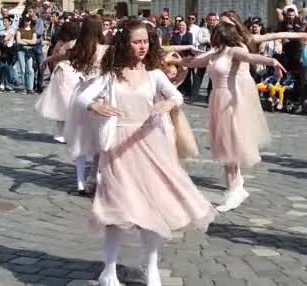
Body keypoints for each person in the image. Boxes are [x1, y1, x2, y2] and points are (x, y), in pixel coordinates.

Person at [77, 20, 215, 286]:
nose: (142, 46)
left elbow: (178, 96)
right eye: (136, 41)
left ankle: (151, 267)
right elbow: (82, 98)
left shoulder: (154, 74)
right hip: (118, 148)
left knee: (153, 207)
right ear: (125, 44)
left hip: (150, 144)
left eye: (145, 41)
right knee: (116, 209)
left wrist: (167, 103)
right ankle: (109, 270)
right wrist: (96, 107)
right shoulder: (111, 75)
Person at [184, 22, 286, 213]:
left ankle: (233, 191)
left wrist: (273, 62)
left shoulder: (233, 50)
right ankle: (236, 185)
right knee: (223, 144)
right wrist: (169, 61)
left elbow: (251, 57)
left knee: (228, 146)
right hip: (217, 100)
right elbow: (193, 62)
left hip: (229, 101)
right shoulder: (215, 53)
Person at [63, 15, 109, 195]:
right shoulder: (105, 49)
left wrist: (48, 60)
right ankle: (94, 177)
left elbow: (59, 56)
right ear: (99, 30)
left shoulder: (78, 49)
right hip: (98, 95)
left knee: (81, 140)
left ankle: (80, 182)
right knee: (99, 139)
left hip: (81, 93)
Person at [35, 22, 81, 143]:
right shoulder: (79, 43)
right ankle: (67, 133)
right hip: (75, 72)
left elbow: (56, 55)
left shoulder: (64, 43)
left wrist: (46, 60)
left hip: (64, 72)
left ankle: (63, 132)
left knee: (62, 103)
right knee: (68, 102)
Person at [16, 15, 38, 94]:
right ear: (23, 21)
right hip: (20, 51)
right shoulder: (19, 29)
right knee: (22, 70)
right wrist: (29, 42)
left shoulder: (33, 30)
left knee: (30, 70)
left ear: (31, 21)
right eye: (26, 20)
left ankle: (30, 88)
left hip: (29, 51)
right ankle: (24, 88)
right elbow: (18, 41)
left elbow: (34, 41)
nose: (27, 21)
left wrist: (24, 40)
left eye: (28, 20)